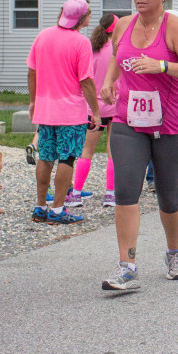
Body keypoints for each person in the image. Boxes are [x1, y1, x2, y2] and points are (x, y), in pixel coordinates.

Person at [99, 0, 178, 291]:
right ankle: (127, 265)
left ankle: (174, 253)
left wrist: (162, 65)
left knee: (168, 195)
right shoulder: (122, 26)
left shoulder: (175, 28)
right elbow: (118, 59)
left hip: (173, 123)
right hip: (129, 120)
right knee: (126, 190)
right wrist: (108, 83)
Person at [26, 0, 102, 225]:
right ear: (83, 18)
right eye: (89, 13)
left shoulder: (43, 36)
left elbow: (32, 71)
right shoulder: (80, 43)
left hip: (45, 109)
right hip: (70, 112)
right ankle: (58, 211)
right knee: (67, 159)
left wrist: (33, 102)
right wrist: (96, 112)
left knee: (46, 157)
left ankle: (40, 207)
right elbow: (86, 81)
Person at [68, 13, 119, 208]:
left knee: (86, 152)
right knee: (112, 151)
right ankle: (110, 194)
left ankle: (77, 194)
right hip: (115, 104)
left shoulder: (90, 48)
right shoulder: (115, 50)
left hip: (92, 107)